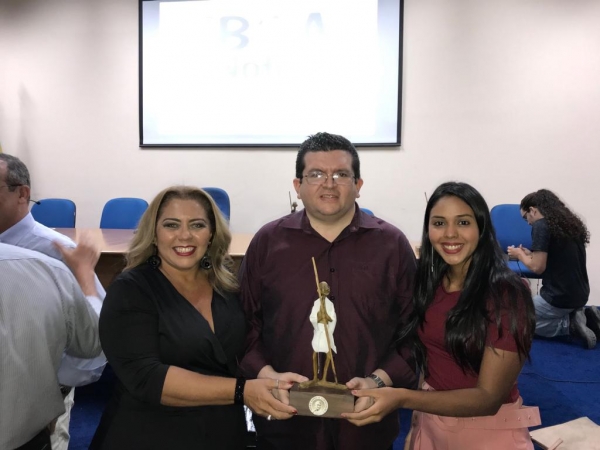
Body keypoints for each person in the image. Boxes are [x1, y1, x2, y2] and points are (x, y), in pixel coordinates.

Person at [239, 132, 417, 450]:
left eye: (341, 174)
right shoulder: (267, 243)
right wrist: (267, 375)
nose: (329, 183)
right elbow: (243, 325)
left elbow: (413, 332)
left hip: (364, 426)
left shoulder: (392, 246)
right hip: (285, 424)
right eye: (317, 174)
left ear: (358, 185)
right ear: (298, 185)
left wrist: (379, 380)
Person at [90, 186, 295, 450]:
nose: (184, 235)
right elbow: (147, 377)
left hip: (222, 434)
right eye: (171, 225)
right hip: (148, 434)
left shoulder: (227, 285)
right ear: (154, 233)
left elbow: (242, 348)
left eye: (197, 225)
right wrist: (242, 391)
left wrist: (270, 378)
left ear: (211, 234)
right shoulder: (131, 289)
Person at [344, 182, 540, 450]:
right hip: (431, 421)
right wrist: (379, 383)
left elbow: (487, 398)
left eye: (462, 222)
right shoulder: (429, 281)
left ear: (481, 228)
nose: (450, 234)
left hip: (487, 432)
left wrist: (402, 398)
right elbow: (422, 353)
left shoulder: (506, 293)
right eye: (439, 223)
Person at [0, 153, 106, 450]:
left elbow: (95, 345)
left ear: (22, 193)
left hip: (36, 412)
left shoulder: (57, 253)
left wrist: (54, 388)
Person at [0, 241, 103, 450]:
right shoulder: (48, 269)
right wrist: (86, 278)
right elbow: (93, 343)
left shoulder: (49, 265)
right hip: (25, 437)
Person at [507, 189, 598, 349]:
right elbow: (557, 259)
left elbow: (537, 267)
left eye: (525, 217)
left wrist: (520, 254)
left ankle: (569, 326)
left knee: (512, 321)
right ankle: (584, 316)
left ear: (533, 210)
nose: (527, 222)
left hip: (559, 298)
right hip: (580, 294)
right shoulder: (568, 225)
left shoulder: (541, 225)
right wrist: (529, 253)